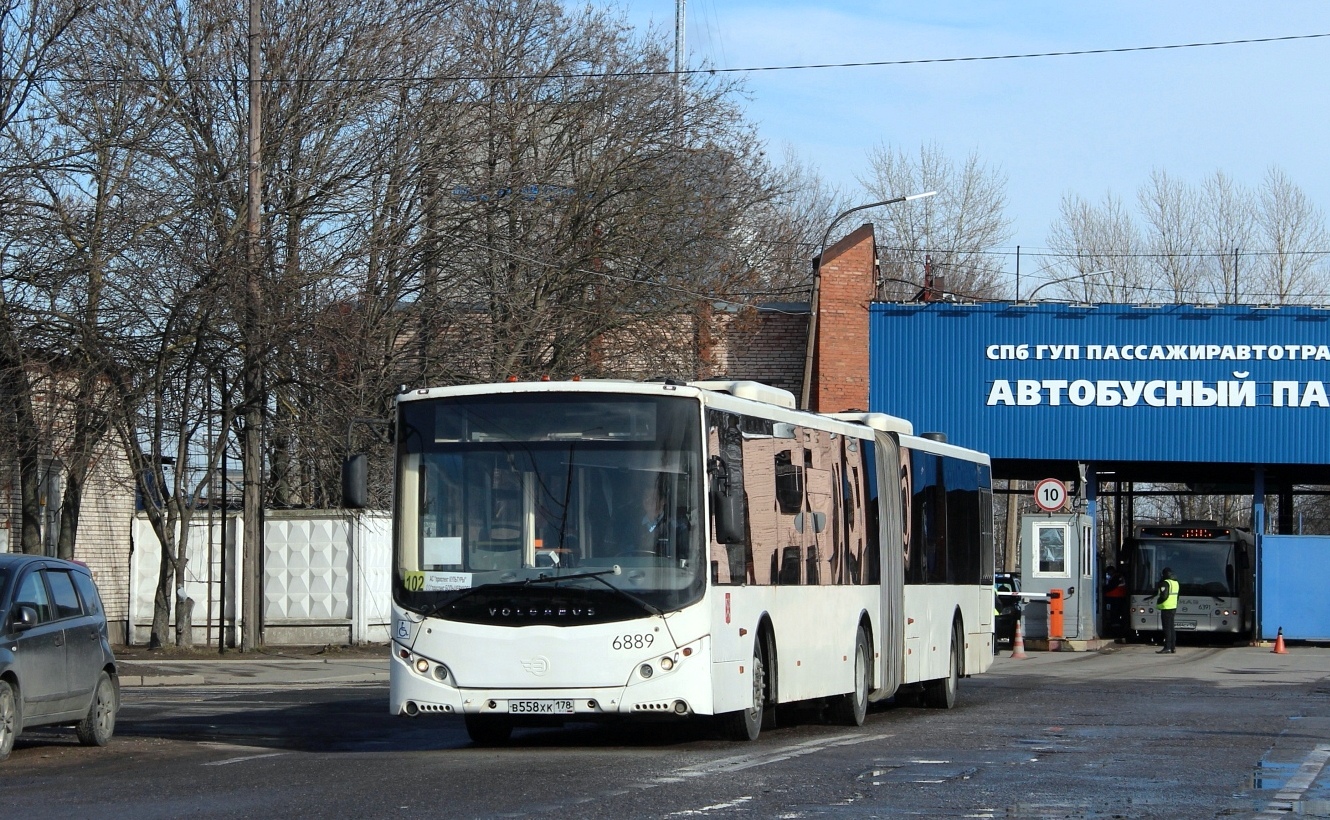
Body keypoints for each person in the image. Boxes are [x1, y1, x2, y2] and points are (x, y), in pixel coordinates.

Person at [1155, 567, 1179, 654]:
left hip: (1166, 608)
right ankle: (1173, 647)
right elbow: (1177, 596)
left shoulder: (1165, 583)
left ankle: (1167, 647)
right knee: (1172, 628)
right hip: (1173, 607)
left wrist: (1159, 601)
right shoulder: (1175, 583)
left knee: (1167, 628)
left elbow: (1164, 596)